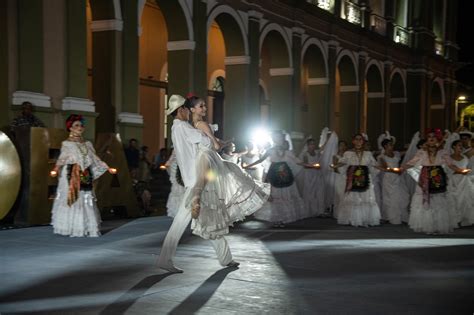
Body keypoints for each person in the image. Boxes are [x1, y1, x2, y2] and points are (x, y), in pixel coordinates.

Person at [157, 95, 268, 273]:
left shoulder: (177, 128)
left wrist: (214, 139)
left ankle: (225, 258)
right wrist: (212, 138)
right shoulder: (183, 127)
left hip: (195, 178)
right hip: (196, 179)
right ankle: (166, 259)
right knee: (191, 220)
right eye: (187, 108)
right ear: (182, 110)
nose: (187, 111)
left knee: (208, 218)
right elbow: (207, 143)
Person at [50, 114, 115, 237]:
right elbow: (62, 158)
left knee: (85, 197)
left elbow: (94, 158)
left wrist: (107, 167)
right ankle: (71, 226)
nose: (80, 127)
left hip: (84, 172)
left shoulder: (87, 144)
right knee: (74, 197)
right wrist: (55, 169)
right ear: (70, 128)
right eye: (76, 125)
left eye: (81, 125)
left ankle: (84, 226)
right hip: (71, 173)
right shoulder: (67, 143)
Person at [400, 128, 458, 234]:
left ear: (437, 139)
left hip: (437, 177)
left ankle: (437, 226)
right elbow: (411, 163)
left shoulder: (442, 152)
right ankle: (426, 225)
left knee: (438, 201)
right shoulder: (421, 152)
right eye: (429, 137)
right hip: (425, 177)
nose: (431, 139)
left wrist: (460, 170)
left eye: (433, 137)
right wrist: (401, 168)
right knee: (424, 200)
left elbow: (450, 164)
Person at [333, 134, 381, 227]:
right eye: (357, 139)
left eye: (360, 140)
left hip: (365, 177)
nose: (358, 141)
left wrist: (384, 168)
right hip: (353, 177)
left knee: (366, 197)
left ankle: (365, 219)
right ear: (353, 141)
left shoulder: (368, 153)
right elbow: (342, 162)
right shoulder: (348, 153)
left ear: (363, 142)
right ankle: (353, 219)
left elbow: (374, 164)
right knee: (353, 198)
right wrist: (334, 166)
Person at [377, 136, 409, 224]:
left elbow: (408, 152)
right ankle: (391, 217)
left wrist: (412, 144)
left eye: (392, 144)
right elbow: (385, 168)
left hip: (398, 177)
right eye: (390, 144)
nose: (392, 146)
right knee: (390, 197)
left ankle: (402, 216)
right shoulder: (381, 157)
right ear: (385, 146)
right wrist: (397, 170)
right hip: (389, 178)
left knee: (402, 195)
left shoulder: (397, 154)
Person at [447, 140, 474, 226]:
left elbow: (468, 168)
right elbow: (447, 170)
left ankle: (464, 219)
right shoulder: (449, 158)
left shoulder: (465, 158)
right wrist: (459, 171)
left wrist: (466, 171)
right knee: (454, 200)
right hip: (453, 181)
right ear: (454, 147)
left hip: (464, 181)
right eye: (459, 145)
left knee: (466, 199)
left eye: (461, 146)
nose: (461, 147)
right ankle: (455, 220)